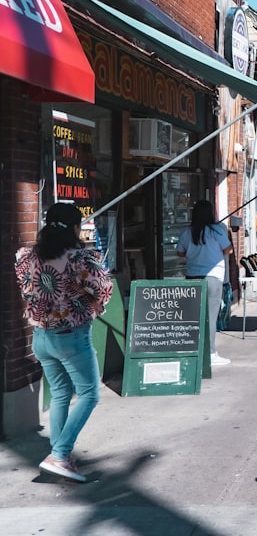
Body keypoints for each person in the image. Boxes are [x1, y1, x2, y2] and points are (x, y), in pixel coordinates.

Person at [15, 202, 114, 483]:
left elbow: (26, 289)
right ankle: (59, 454)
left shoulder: (27, 256)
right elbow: (103, 289)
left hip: (41, 337)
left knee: (60, 394)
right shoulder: (80, 258)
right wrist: (93, 304)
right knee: (90, 394)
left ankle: (61, 457)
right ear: (74, 228)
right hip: (71, 337)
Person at [177, 200, 233, 367]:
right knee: (210, 316)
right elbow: (228, 249)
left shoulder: (188, 232)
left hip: (192, 277)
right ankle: (210, 353)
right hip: (213, 278)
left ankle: (193, 349)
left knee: (194, 317)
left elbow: (180, 252)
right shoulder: (216, 230)